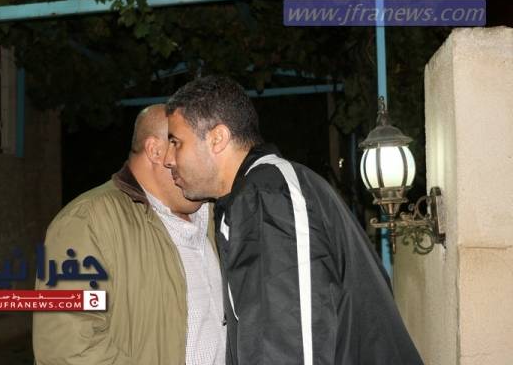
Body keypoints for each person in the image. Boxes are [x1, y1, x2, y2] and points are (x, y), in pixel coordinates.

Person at [164, 75, 424, 365]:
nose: (168, 159)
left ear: (217, 139)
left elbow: (288, 348)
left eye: (176, 142)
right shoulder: (263, 193)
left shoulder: (268, 196)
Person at [33, 104, 226, 365]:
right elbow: (66, 349)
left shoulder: (214, 213)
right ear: (156, 151)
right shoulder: (86, 221)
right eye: (193, 149)